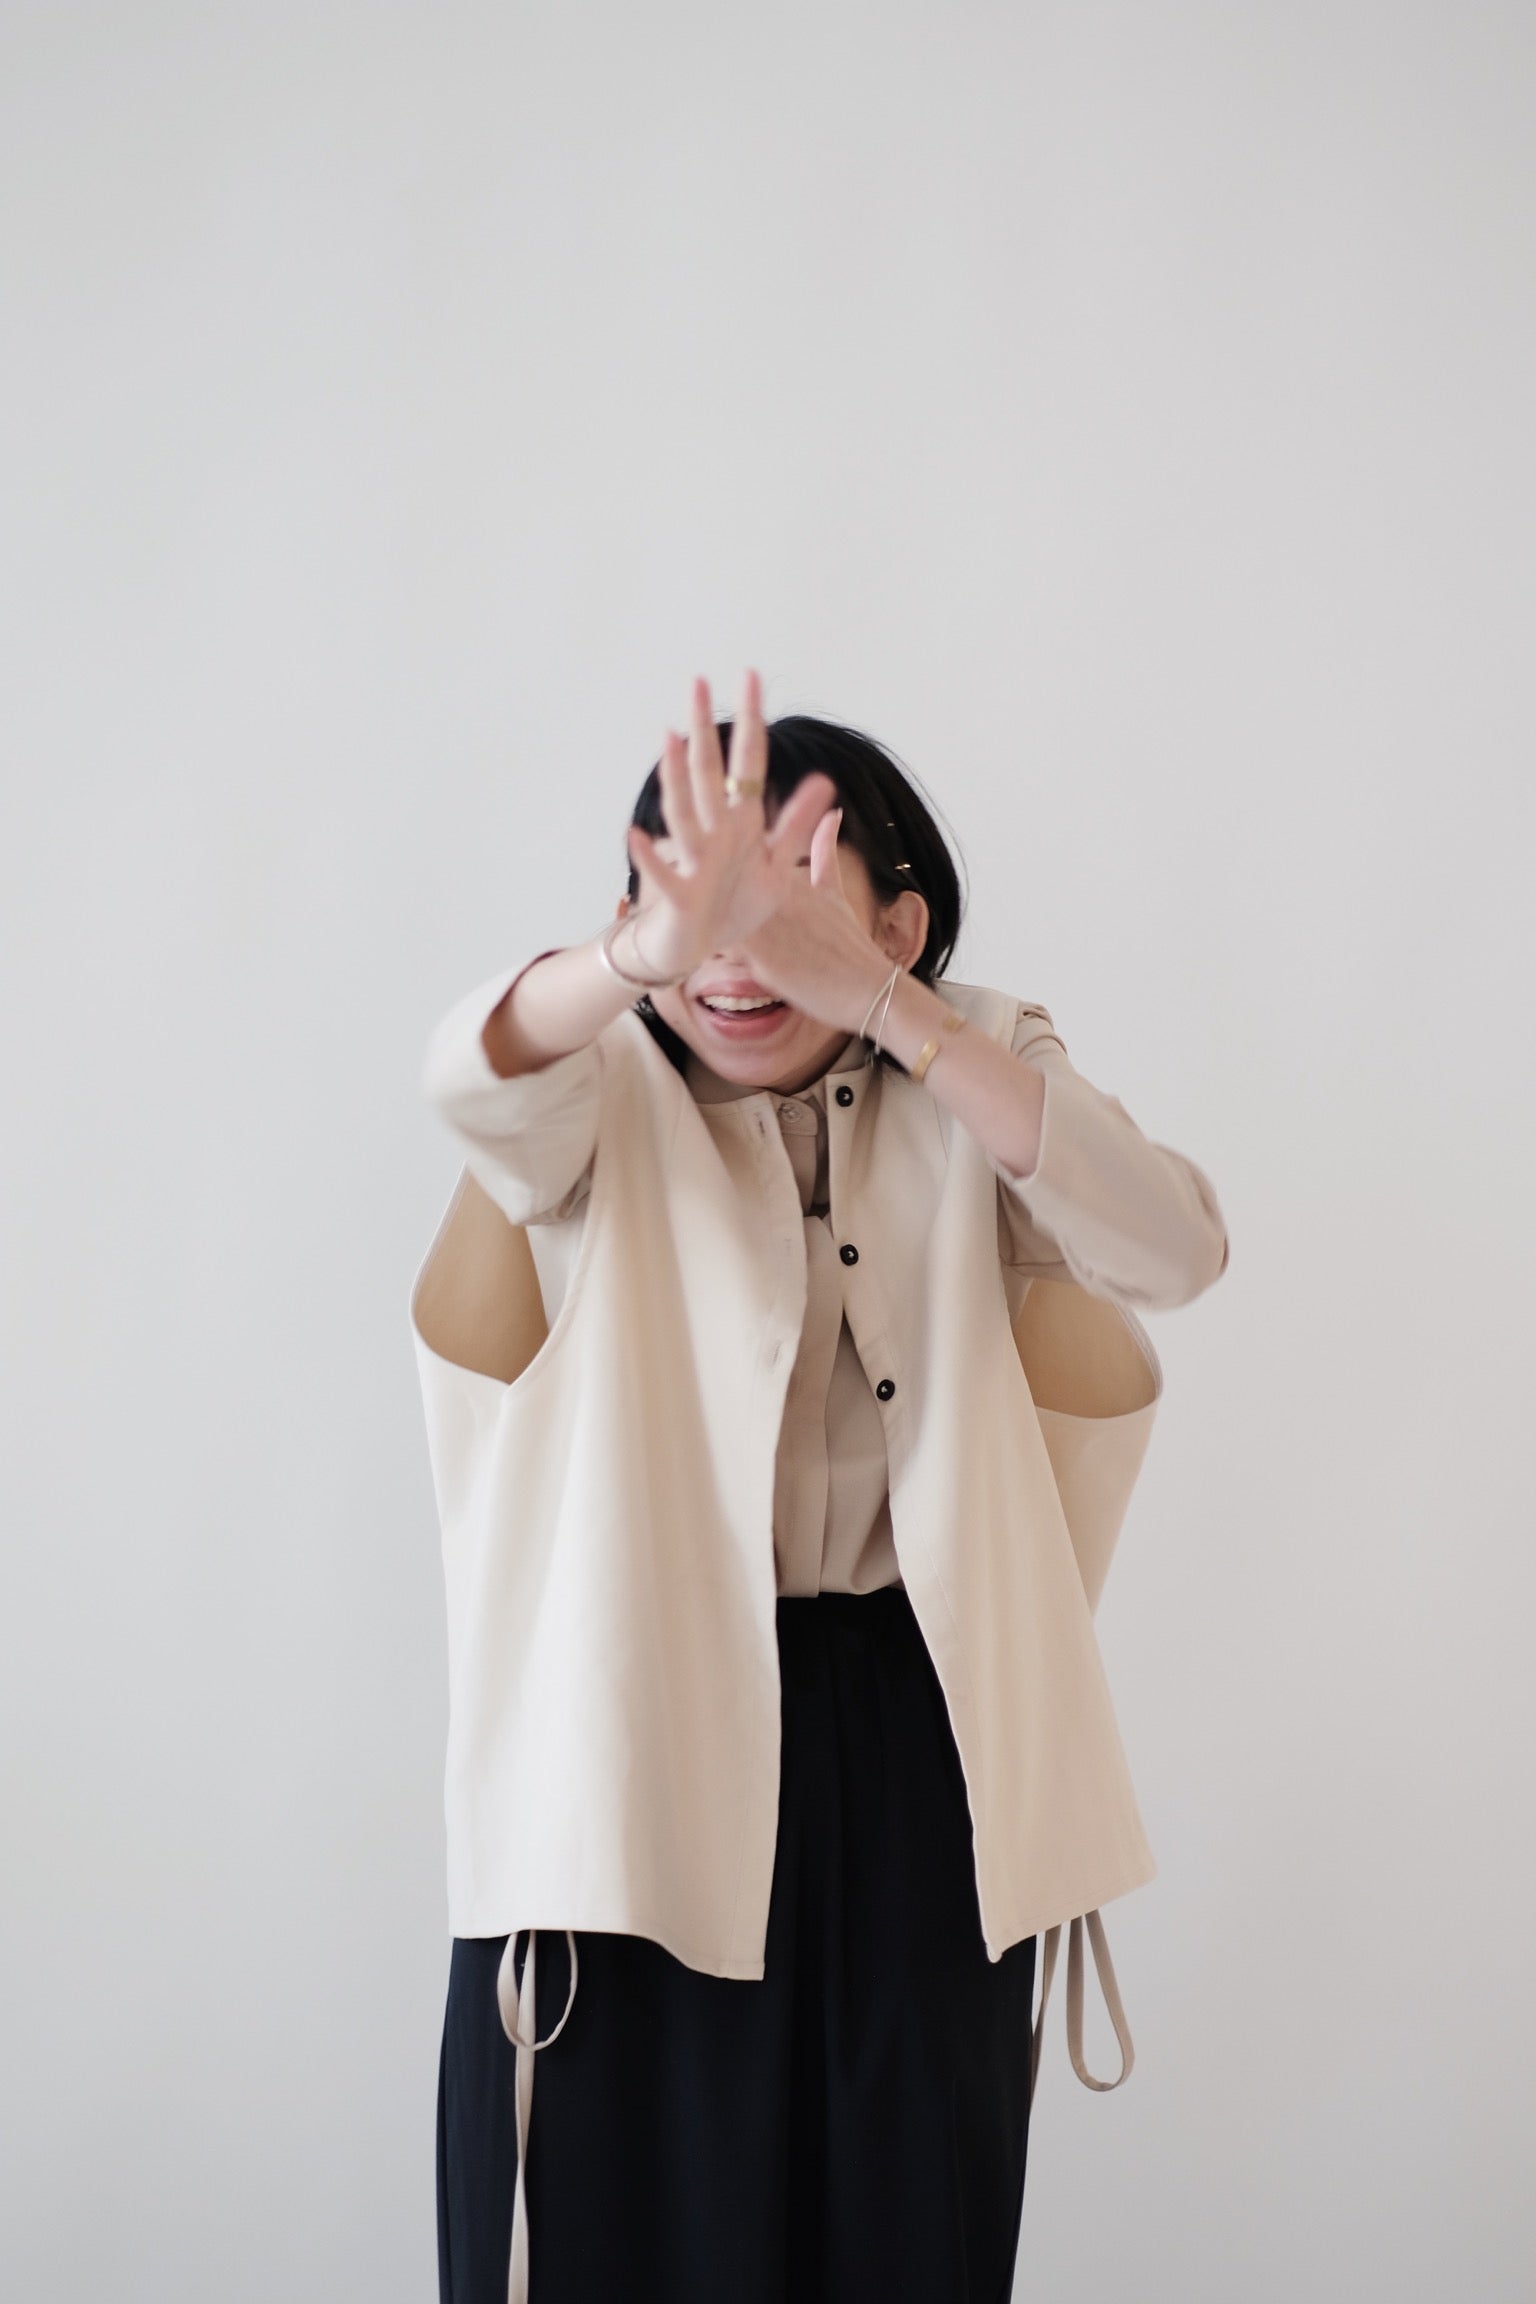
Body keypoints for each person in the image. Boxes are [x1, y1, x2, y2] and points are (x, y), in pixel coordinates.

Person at [412, 667, 1229, 2304]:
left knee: (906, 2231)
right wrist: (629, 961)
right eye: (687, 911)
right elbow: (469, 1079)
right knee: (617, 2227)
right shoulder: (595, 1081)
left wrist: (899, 1016)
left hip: (920, 1738)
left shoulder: (980, 1057)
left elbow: (1172, 1249)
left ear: (898, 926)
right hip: (628, 1749)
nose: (736, 958)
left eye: (784, 907)